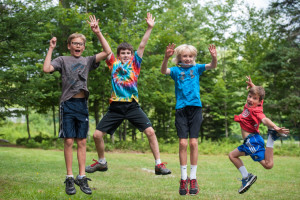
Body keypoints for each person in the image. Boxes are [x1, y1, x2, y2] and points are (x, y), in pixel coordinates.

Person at [85, 13, 171, 176]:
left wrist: (149, 28)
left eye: (128, 53)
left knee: (151, 132)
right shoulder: (113, 64)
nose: (125, 55)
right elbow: (107, 49)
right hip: (116, 107)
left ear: (132, 55)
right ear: (118, 56)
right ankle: (102, 162)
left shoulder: (135, 64)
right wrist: (98, 33)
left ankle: (158, 164)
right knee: (97, 135)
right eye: (122, 53)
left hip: (132, 105)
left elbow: (142, 46)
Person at [43, 15, 111, 195]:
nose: (78, 46)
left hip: (82, 104)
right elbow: (46, 69)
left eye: (81, 44)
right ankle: (69, 177)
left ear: (84, 47)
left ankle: (82, 177)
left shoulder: (88, 60)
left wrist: (98, 32)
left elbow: (107, 52)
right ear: (69, 45)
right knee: (69, 141)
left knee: (81, 141)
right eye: (75, 43)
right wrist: (50, 48)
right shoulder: (62, 60)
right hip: (67, 104)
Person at [160, 43, 218, 195]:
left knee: (193, 143)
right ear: (179, 57)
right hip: (181, 109)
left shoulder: (197, 68)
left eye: (190, 56)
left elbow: (212, 66)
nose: (187, 58)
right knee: (183, 143)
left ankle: (193, 178)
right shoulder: (175, 70)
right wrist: (166, 58)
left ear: (194, 58)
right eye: (184, 56)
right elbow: (163, 71)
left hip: (196, 109)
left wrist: (214, 57)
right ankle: (183, 178)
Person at [228, 76, 289, 194]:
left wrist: (275, 127)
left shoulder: (256, 110)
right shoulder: (254, 104)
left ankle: (247, 177)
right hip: (252, 141)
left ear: (259, 102)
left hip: (252, 141)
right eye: (249, 96)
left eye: (254, 98)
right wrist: (253, 86)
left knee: (266, 164)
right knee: (234, 156)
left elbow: (264, 119)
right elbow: (257, 94)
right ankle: (271, 139)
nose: (250, 99)